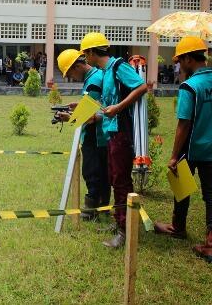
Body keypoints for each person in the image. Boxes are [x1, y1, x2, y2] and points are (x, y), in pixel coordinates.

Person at [153, 37, 212, 264]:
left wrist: (174, 155)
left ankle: (178, 227)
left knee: (181, 186)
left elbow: (183, 124)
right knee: (211, 194)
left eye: (180, 60)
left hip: (192, 147)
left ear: (188, 58)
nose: (179, 65)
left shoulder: (189, 86)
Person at [80, 32, 147, 248]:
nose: (85, 59)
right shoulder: (105, 72)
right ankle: (119, 223)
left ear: (91, 52)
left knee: (120, 181)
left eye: (85, 54)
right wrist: (78, 107)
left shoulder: (118, 66)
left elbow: (141, 87)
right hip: (111, 132)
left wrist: (119, 107)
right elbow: (106, 104)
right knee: (113, 177)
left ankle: (124, 230)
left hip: (121, 132)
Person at [56, 49, 110, 220]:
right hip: (101, 133)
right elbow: (95, 105)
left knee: (92, 171)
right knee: (102, 172)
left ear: (77, 66)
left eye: (70, 73)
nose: (71, 77)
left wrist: (68, 118)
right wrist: (79, 105)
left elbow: (90, 115)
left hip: (95, 134)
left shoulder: (93, 80)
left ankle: (90, 211)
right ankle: (103, 207)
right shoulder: (96, 76)